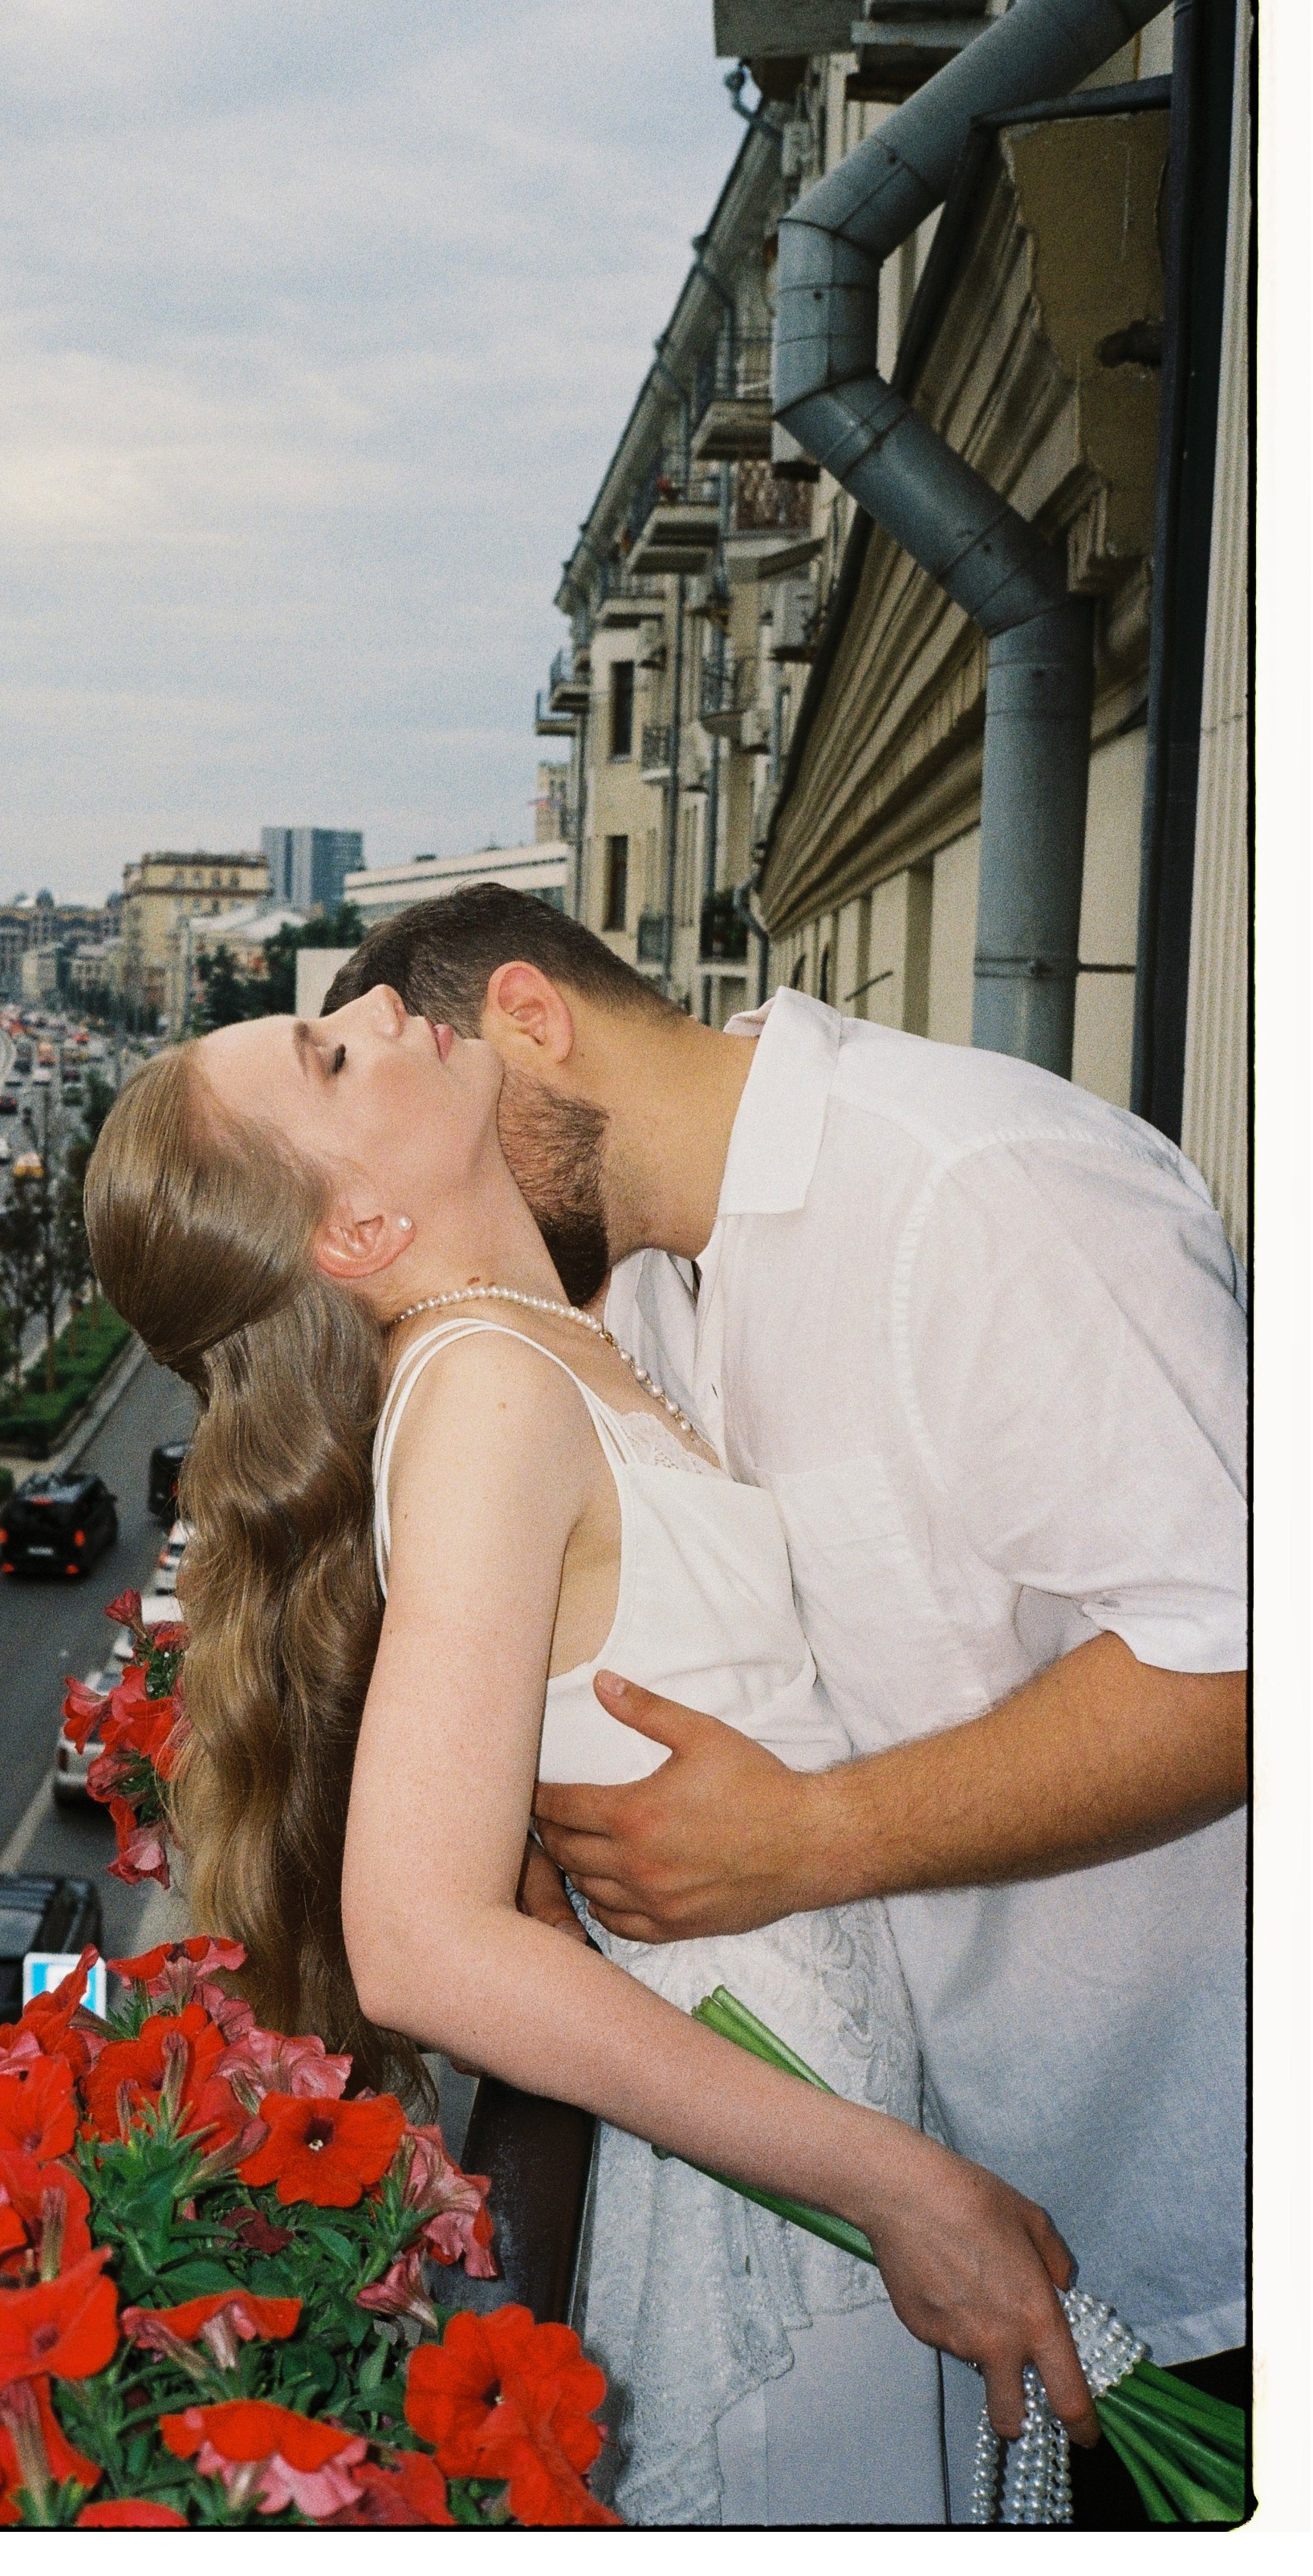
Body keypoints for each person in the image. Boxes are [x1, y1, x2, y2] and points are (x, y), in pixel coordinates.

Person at [84, 987, 1104, 2527]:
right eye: (331, 1055)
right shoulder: (486, 1393)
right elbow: (418, 1942)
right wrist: (894, 2185)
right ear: (354, 1229)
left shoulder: (535, 1344)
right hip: (785, 2197)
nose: (372, 998)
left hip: (812, 2115)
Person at [321, 886, 1248, 2521]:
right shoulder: (650, 1304)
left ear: (525, 1024)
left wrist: (809, 1837)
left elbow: (1241, 1663)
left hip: (1184, 2221)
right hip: (957, 2216)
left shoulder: (971, 1188)